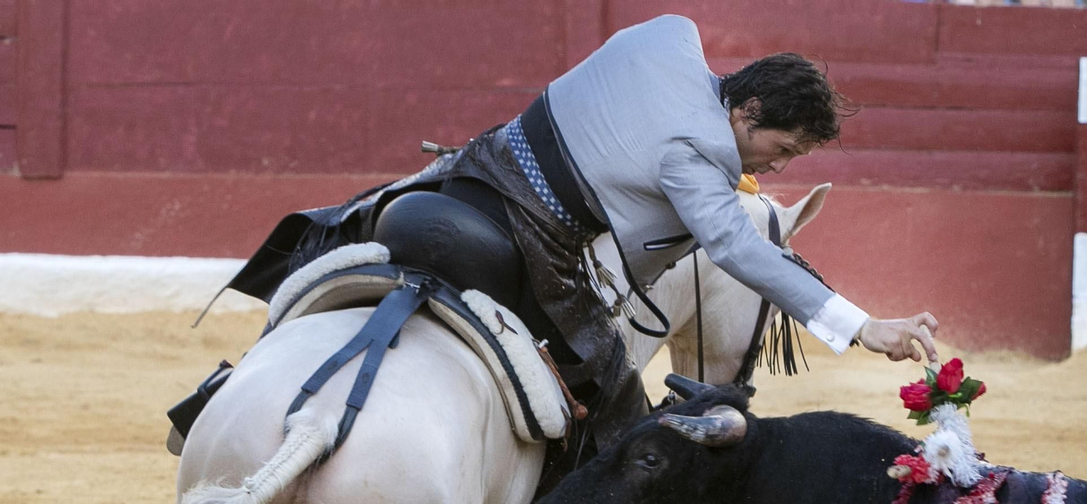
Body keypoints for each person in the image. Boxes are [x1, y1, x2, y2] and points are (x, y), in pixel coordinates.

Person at [225, 15, 939, 456]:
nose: (776, 166)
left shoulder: (670, 34)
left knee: (340, 232)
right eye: (782, 149)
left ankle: (221, 391)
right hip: (533, 248)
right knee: (616, 400)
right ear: (747, 110)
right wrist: (862, 324)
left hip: (454, 180)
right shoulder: (702, 159)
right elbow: (738, 249)